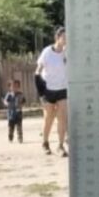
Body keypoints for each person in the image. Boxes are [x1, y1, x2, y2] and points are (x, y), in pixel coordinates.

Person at [36, 27, 68, 156]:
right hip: (48, 89)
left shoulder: (67, 52)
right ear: (57, 38)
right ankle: (45, 142)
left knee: (62, 118)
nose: (66, 40)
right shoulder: (47, 52)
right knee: (49, 118)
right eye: (64, 37)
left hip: (63, 88)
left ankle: (60, 146)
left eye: (67, 38)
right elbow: (37, 71)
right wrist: (41, 93)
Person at [3, 79, 25, 143]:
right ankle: (10, 136)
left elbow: (23, 101)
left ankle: (20, 138)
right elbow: (5, 101)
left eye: (16, 86)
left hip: (18, 113)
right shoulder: (9, 94)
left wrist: (21, 105)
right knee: (11, 126)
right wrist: (7, 104)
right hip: (11, 113)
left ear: (18, 87)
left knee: (19, 126)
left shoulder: (20, 94)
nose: (14, 88)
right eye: (13, 86)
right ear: (10, 87)